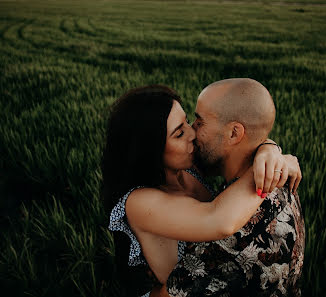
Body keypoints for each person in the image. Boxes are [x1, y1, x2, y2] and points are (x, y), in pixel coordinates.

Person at [102, 85, 301, 297]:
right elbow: (219, 220)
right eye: (179, 133)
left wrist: (268, 149)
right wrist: (270, 168)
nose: (192, 133)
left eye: (188, 121)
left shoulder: (189, 167)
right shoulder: (139, 202)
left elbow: (238, 142)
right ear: (151, 150)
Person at [164, 78, 305, 297]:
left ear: (234, 134)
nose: (192, 131)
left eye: (199, 122)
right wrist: (269, 147)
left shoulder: (226, 239)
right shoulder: (280, 179)